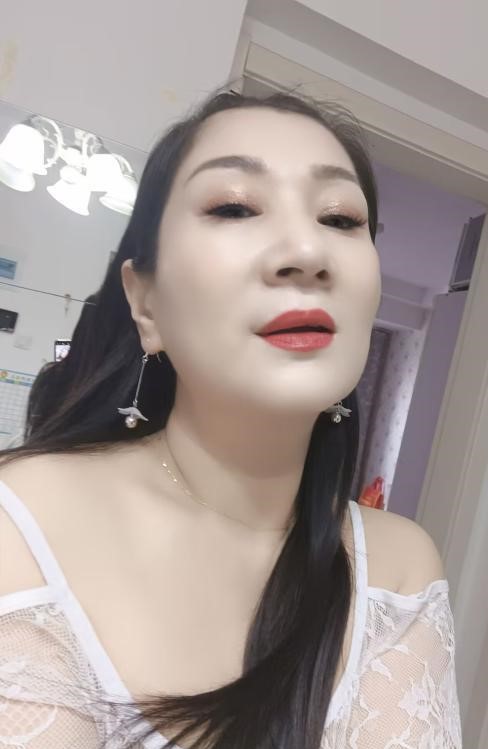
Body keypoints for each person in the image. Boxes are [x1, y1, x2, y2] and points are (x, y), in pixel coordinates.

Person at [0, 87, 462, 748]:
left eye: (339, 218)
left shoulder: (397, 571)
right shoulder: (19, 520)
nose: (307, 250)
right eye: (235, 206)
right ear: (146, 303)